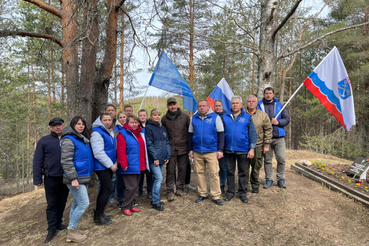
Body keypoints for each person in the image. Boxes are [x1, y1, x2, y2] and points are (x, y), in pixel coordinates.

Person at [33, 117, 69, 243]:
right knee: (52, 204)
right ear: (50, 128)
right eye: (54, 126)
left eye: (59, 125)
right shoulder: (44, 141)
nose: (57, 127)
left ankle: (59, 223)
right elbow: (37, 160)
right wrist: (37, 178)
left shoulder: (68, 139)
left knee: (62, 201)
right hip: (51, 177)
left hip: (66, 177)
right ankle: (51, 229)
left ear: (63, 125)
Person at [61, 116, 94, 243]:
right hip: (75, 178)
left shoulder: (80, 139)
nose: (81, 126)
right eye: (78, 124)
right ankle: (71, 232)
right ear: (72, 125)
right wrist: (73, 179)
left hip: (82, 176)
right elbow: (66, 161)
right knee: (84, 203)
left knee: (76, 203)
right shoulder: (69, 140)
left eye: (82, 124)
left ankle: (73, 229)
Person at [188, 99, 224, 206]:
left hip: (212, 150)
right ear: (197, 108)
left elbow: (221, 134)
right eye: (199, 106)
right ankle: (202, 193)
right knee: (199, 173)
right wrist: (191, 149)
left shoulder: (215, 117)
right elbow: (190, 134)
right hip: (198, 150)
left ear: (208, 107)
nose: (202, 108)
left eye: (204, 106)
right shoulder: (193, 118)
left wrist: (220, 149)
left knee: (214, 173)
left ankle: (216, 195)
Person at [223, 96, 257, 204]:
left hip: (243, 149)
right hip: (228, 149)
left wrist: (252, 149)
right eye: (233, 103)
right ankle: (230, 192)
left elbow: (252, 134)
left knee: (243, 172)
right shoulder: (225, 117)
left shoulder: (247, 117)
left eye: (237, 103)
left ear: (241, 104)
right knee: (230, 172)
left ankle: (242, 193)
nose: (235, 105)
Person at [257, 87, 290, 189]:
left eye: (270, 93)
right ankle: (269, 179)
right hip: (265, 138)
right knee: (267, 160)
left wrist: (278, 122)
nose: (268, 95)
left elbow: (287, 119)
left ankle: (280, 179)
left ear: (273, 94)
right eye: (266, 93)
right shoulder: (259, 106)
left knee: (281, 159)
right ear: (264, 94)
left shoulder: (279, 105)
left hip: (278, 137)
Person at [116, 115, 149, 216]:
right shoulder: (123, 134)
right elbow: (120, 151)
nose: (134, 124)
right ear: (127, 123)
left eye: (136, 122)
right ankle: (125, 206)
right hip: (129, 165)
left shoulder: (139, 133)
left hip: (139, 164)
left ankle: (130, 205)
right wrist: (124, 163)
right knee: (131, 187)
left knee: (135, 186)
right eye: (132, 122)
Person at [90, 113, 118, 225]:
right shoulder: (97, 132)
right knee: (107, 189)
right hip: (102, 166)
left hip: (109, 165)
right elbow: (98, 152)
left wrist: (114, 162)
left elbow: (112, 149)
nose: (107, 122)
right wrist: (111, 165)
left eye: (109, 120)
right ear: (100, 121)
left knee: (104, 190)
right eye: (105, 120)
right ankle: (98, 216)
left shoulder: (109, 131)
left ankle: (100, 213)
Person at [161, 97, 191, 201]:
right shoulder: (164, 119)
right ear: (167, 106)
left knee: (182, 169)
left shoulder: (185, 117)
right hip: (170, 148)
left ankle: (179, 188)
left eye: (174, 104)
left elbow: (189, 132)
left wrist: (189, 146)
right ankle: (170, 190)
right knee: (170, 170)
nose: (172, 106)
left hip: (183, 147)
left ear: (177, 105)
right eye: (170, 105)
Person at [145, 109, 171, 211]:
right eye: (155, 115)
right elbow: (149, 144)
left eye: (158, 115)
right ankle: (155, 201)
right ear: (151, 116)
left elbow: (167, 142)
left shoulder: (162, 128)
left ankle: (154, 198)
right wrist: (155, 157)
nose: (157, 116)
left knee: (157, 179)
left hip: (162, 157)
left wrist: (168, 155)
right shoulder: (148, 128)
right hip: (154, 159)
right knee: (159, 178)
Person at [246, 95, 272, 194]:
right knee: (244, 168)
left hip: (258, 145)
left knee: (256, 167)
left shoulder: (263, 115)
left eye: (253, 101)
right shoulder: (242, 114)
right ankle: (243, 186)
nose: (251, 103)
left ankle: (255, 185)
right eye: (249, 101)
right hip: (244, 145)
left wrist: (266, 145)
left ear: (256, 103)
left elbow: (268, 130)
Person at [137, 109, 152, 198]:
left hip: (149, 152)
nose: (142, 117)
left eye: (144, 115)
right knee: (141, 172)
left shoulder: (150, 125)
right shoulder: (136, 126)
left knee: (149, 172)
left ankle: (149, 189)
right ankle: (140, 189)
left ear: (147, 116)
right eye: (140, 115)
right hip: (140, 152)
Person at [213, 99, 227, 193]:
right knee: (214, 166)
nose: (217, 107)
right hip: (213, 145)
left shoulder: (226, 116)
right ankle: (215, 184)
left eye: (219, 106)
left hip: (223, 145)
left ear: (222, 106)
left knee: (223, 166)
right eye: (216, 106)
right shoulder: (212, 116)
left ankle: (222, 184)